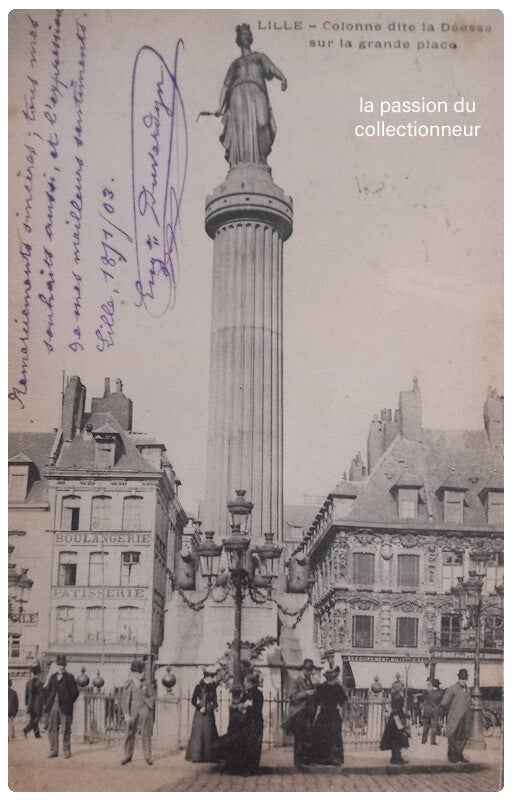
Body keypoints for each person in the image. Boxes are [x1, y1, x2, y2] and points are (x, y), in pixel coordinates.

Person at [215, 23, 287, 166]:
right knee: (241, 128)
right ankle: (241, 162)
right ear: (239, 39)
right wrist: (220, 107)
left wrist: (282, 77)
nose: (246, 36)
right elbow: (226, 86)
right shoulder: (235, 64)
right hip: (238, 94)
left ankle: (261, 160)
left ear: (251, 38)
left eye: (248, 34)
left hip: (257, 91)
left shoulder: (259, 57)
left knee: (262, 123)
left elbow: (271, 68)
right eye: (243, 34)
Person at [215, 672, 264, 775]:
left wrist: (244, 707)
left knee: (251, 747)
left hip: (253, 724)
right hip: (245, 724)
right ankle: (238, 767)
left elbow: (255, 709)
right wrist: (242, 706)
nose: (244, 684)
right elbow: (240, 706)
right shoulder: (246, 693)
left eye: (245, 682)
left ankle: (249, 769)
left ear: (251, 683)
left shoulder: (257, 694)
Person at [282, 658, 318, 767]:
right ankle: (298, 762)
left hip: (308, 713)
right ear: (303, 669)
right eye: (306, 669)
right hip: (298, 713)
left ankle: (307, 760)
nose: (308, 672)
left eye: (310, 670)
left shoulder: (310, 681)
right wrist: (306, 693)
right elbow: (293, 697)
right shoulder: (296, 681)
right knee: (299, 737)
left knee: (308, 736)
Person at [311, 666, 348, 766]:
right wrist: (339, 708)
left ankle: (325, 758)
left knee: (325, 735)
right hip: (332, 714)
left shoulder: (322, 687)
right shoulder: (337, 687)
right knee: (332, 735)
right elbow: (343, 701)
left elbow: (317, 701)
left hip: (325, 714)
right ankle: (333, 758)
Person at [121, 659, 156, 766]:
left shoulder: (147, 682)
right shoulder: (129, 683)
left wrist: (149, 706)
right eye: (140, 672)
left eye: (142, 672)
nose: (142, 674)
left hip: (144, 708)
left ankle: (148, 756)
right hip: (133, 709)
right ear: (134, 673)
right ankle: (127, 755)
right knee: (129, 732)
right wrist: (126, 714)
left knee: (146, 732)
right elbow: (125, 700)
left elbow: (153, 696)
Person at [44, 655, 79, 758]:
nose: (61, 667)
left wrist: (69, 701)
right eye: (59, 665)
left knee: (66, 729)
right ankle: (54, 750)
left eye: (63, 665)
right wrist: (49, 702)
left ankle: (67, 750)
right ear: (57, 665)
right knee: (52, 729)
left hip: (65, 707)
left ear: (65, 665)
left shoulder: (70, 677)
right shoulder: (52, 677)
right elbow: (48, 691)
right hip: (54, 706)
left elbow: (75, 692)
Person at [185, 665, 219, 763]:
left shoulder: (213, 687)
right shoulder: (198, 687)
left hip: (209, 714)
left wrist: (215, 706)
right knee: (198, 733)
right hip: (200, 714)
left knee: (209, 733)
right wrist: (200, 707)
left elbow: (215, 700)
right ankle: (196, 756)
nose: (212, 678)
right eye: (211, 676)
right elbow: (193, 700)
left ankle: (209, 756)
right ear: (207, 677)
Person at [440, 668, 472, 763]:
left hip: (465, 717)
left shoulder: (468, 689)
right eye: (461, 678)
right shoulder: (452, 689)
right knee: (453, 736)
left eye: (464, 678)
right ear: (458, 678)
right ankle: (452, 756)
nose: (463, 680)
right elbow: (444, 703)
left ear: (466, 679)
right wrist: (450, 712)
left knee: (463, 736)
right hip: (454, 717)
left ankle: (459, 755)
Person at [380, 692, 410, 764]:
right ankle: (397, 758)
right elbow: (398, 714)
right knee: (397, 741)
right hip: (396, 723)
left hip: (392, 723)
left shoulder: (395, 701)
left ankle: (394, 758)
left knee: (394, 741)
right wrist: (401, 728)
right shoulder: (398, 703)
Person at [421, 678, 444, 745]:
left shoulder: (428, 692)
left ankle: (423, 740)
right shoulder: (440, 693)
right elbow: (442, 702)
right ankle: (432, 741)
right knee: (433, 727)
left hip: (427, 710)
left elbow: (423, 699)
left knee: (426, 726)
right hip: (435, 711)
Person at [23, 664, 44, 739]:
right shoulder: (40, 683)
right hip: (37, 704)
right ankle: (26, 729)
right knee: (36, 718)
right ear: (38, 673)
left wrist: (27, 704)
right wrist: (43, 704)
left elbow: (26, 695)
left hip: (30, 704)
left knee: (33, 718)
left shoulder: (28, 682)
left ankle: (37, 735)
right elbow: (41, 695)